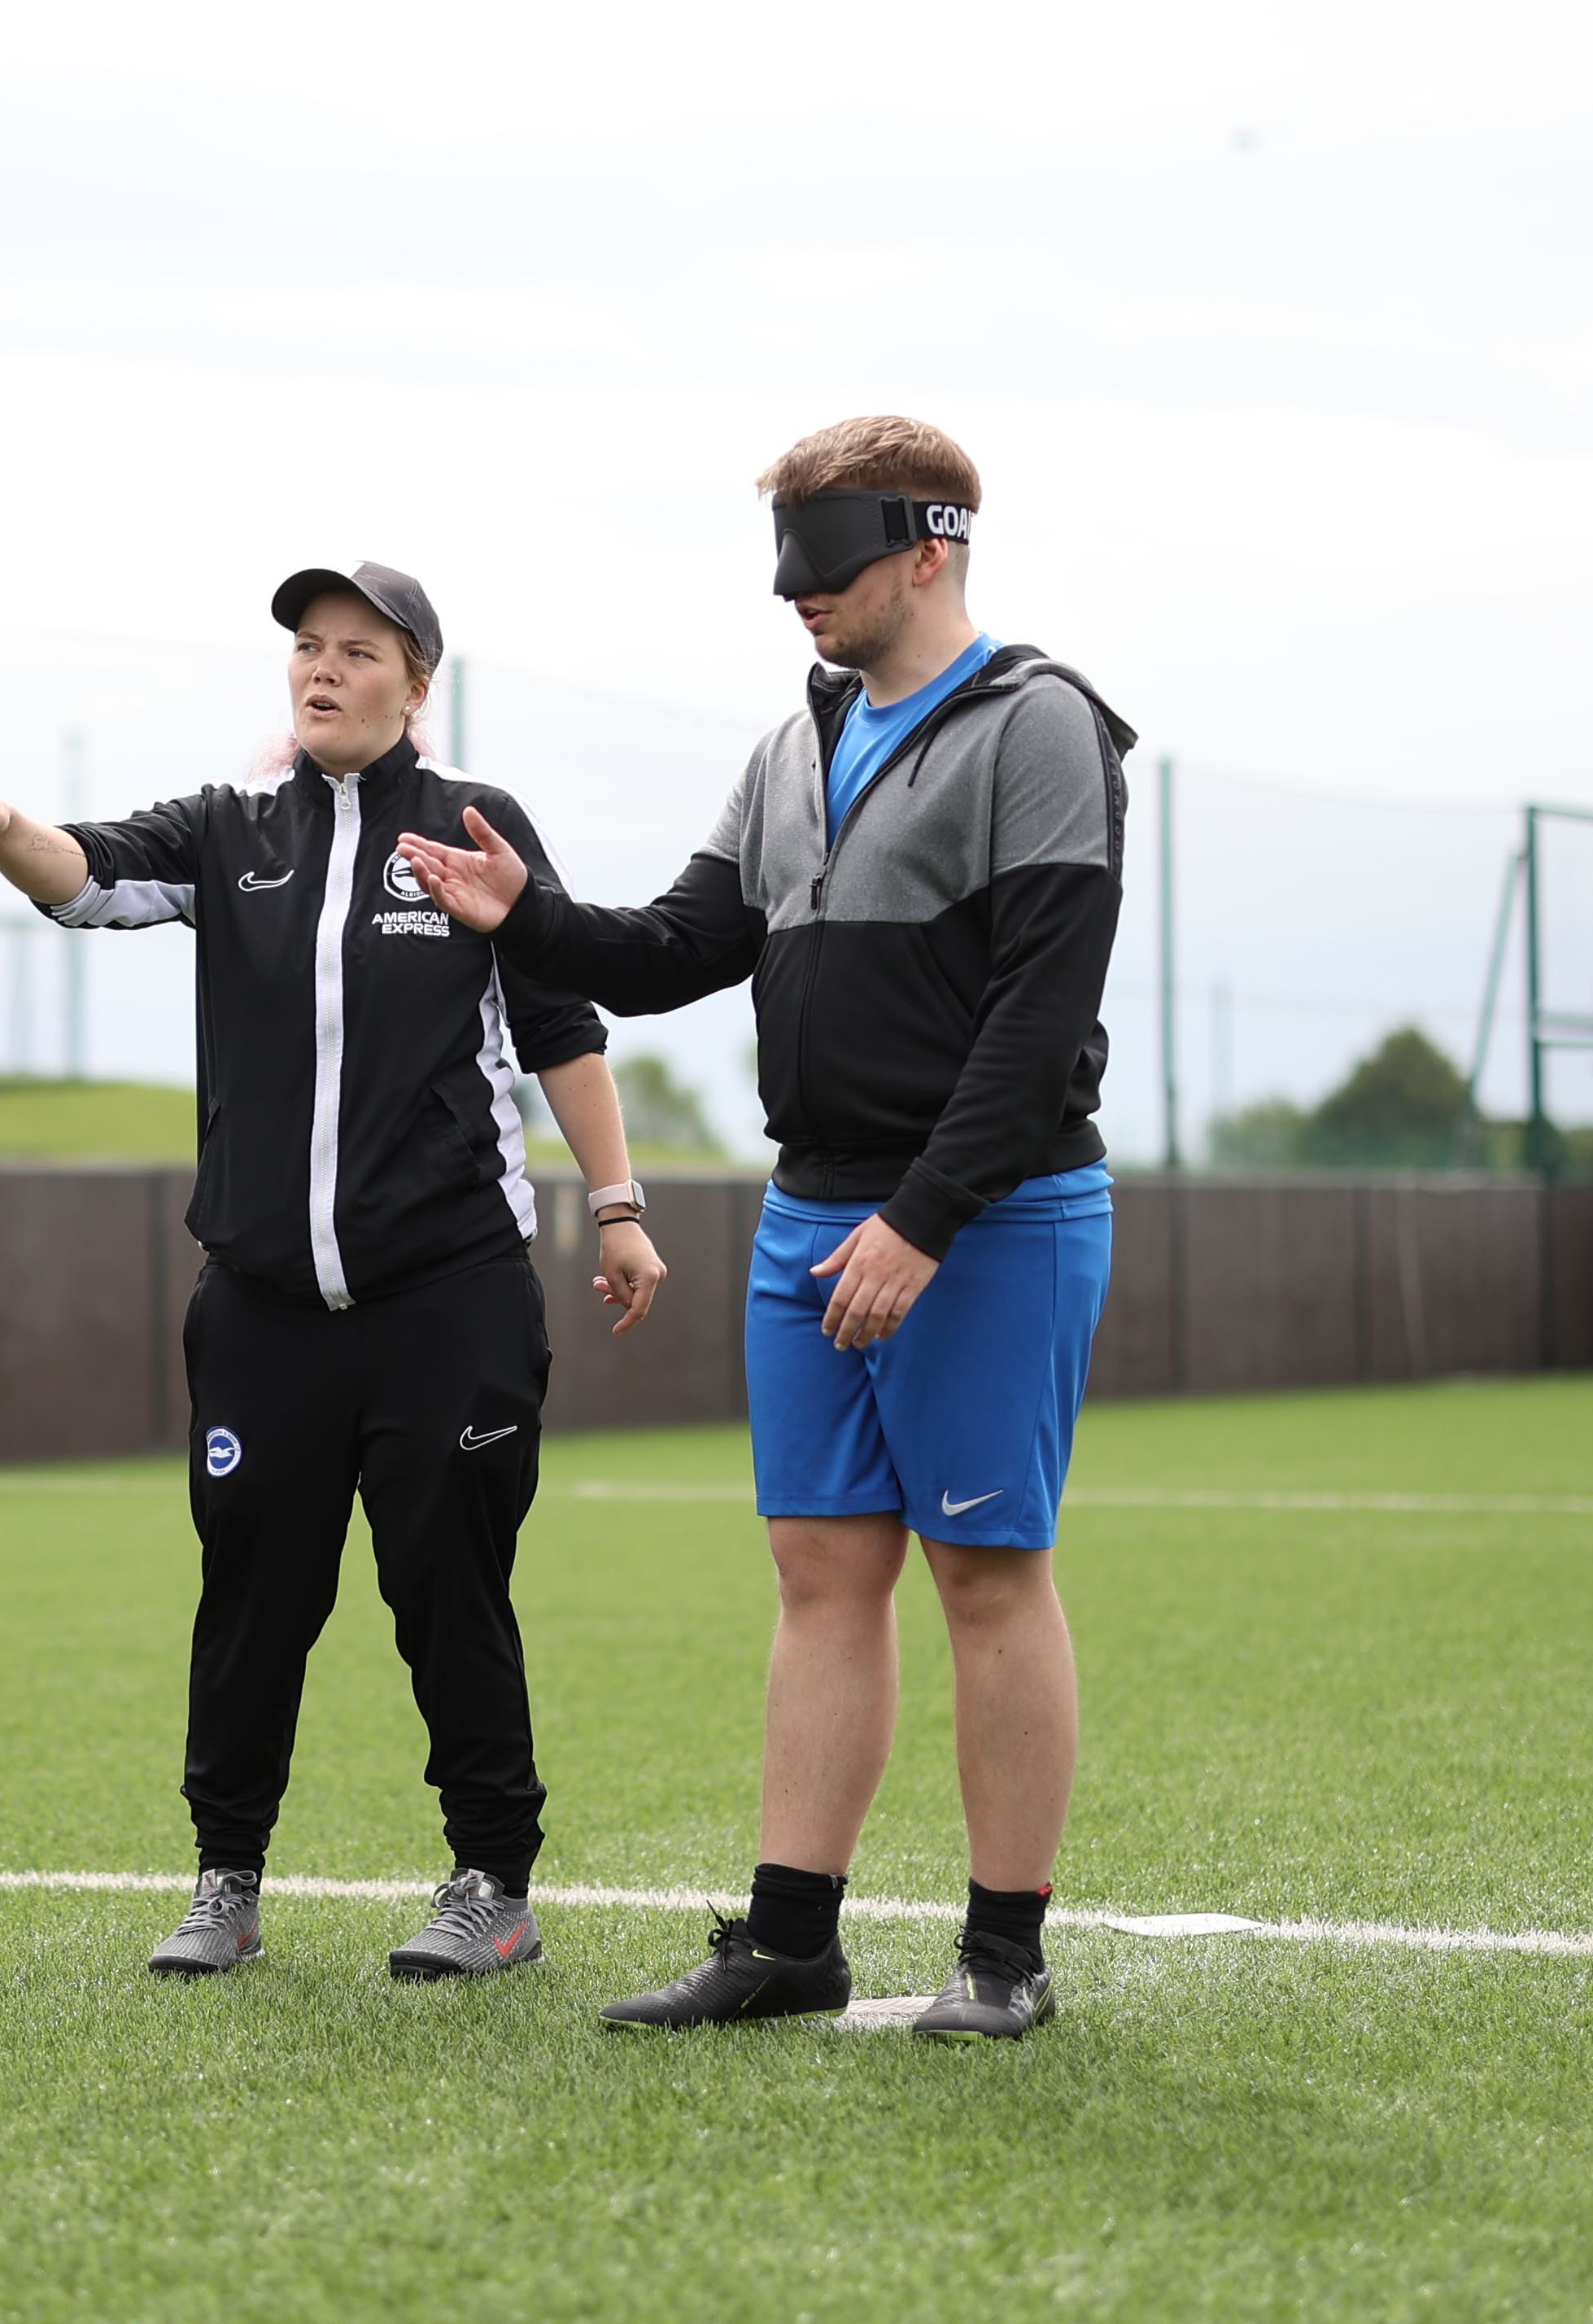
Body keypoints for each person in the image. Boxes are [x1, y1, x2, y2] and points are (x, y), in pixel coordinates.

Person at [395, 418, 1132, 2040]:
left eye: (829, 557)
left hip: (987, 1219)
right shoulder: (791, 741)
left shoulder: (1042, 729)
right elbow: (676, 944)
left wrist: (925, 1219)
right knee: (817, 1574)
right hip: (812, 1212)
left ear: (928, 546)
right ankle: (792, 1941)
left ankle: (1003, 1957)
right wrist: (529, 915)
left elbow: (1037, 1018)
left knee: (988, 1575)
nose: (796, 594)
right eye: (784, 556)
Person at [0, 561, 667, 1981]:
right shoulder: (227, 829)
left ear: (415, 685)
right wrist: (4, 826)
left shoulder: (470, 827)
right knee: (253, 1586)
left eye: (357, 651)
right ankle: (226, 1879)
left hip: (446, 1294)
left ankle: (489, 1882)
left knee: (447, 1582)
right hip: (261, 1309)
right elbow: (84, 880)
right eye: (306, 650)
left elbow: (560, 1020)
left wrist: (619, 1207)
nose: (321, 670)